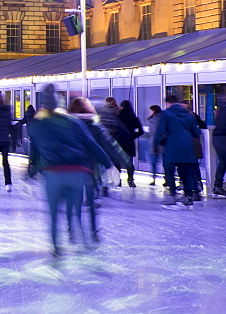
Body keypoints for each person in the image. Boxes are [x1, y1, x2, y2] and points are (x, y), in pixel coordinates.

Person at [27, 85, 111, 256]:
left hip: (52, 174)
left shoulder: (36, 125)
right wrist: (107, 164)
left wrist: (30, 173)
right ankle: (81, 241)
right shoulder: (74, 122)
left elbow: (35, 152)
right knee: (75, 209)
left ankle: (57, 247)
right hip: (76, 172)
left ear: (43, 105)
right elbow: (91, 144)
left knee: (53, 214)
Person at [68, 97, 129, 241]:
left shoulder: (67, 125)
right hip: (90, 167)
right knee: (91, 200)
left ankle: (72, 229)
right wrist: (124, 160)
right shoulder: (95, 125)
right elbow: (109, 144)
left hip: (71, 167)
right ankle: (93, 230)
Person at [154, 95, 202, 209]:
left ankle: (171, 195)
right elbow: (196, 131)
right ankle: (188, 196)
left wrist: (156, 145)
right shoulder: (189, 115)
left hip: (172, 145)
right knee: (185, 171)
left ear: (168, 103)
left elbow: (160, 129)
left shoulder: (166, 113)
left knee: (169, 170)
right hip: (187, 146)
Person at [117, 100, 144, 186]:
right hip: (129, 142)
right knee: (129, 163)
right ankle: (130, 180)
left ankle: (118, 180)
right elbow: (141, 131)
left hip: (119, 141)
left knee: (117, 162)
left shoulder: (118, 117)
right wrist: (132, 136)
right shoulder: (134, 118)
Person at [145, 104, 163, 185]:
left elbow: (153, 132)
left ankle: (154, 178)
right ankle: (167, 180)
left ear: (153, 111)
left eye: (150, 110)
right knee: (165, 163)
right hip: (164, 143)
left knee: (153, 162)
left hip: (154, 143)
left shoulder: (152, 120)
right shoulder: (163, 118)